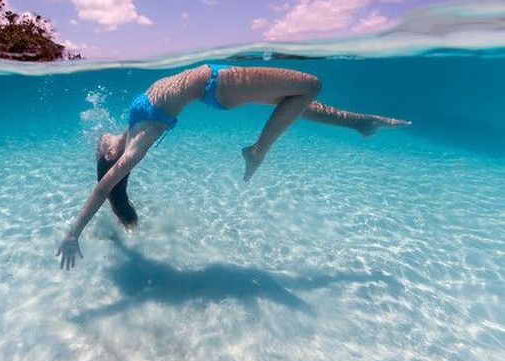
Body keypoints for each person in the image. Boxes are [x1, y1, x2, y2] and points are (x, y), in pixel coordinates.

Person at [56, 64, 410, 270]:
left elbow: (105, 169)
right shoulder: (136, 141)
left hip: (216, 77)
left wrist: (105, 165)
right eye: (103, 152)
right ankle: (257, 152)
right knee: (311, 85)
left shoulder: (123, 129)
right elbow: (104, 187)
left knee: (297, 102)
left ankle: (359, 123)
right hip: (216, 85)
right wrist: (73, 233)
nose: (100, 142)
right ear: (113, 159)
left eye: (100, 146)